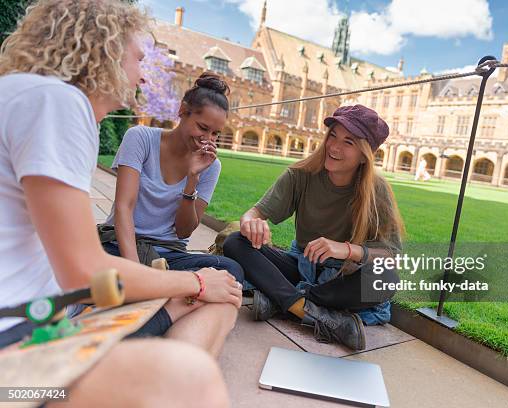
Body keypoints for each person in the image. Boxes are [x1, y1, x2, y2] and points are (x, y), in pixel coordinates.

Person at [0, 1, 237, 406]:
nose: (142, 73)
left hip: (47, 318)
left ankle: (152, 376)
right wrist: (193, 282)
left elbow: (179, 233)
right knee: (196, 369)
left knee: (221, 295)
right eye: (138, 57)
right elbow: (84, 272)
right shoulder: (57, 102)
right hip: (19, 362)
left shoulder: (31, 93)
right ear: (105, 48)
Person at [223, 105, 404, 351]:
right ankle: (309, 312)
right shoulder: (301, 174)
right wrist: (251, 223)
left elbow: (393, 256)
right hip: (303, 267)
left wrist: (346, 250)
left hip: (343, 278)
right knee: (235, 242)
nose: (334, 147)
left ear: (365, 154)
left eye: (348, 142)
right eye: (333, 135)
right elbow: (253, 214)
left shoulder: (377, 190)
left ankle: (281, 301)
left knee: (387, 279)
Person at [100, 73, 244, 285]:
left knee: (231, 271)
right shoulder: (140, 138)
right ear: (182, 111)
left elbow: (183, 231)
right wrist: (134, 272)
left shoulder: (211, 166)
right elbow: (124, 207)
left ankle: (161, 287)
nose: (207, 139)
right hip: (122, 245)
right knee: (93, 265)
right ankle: (168, 288)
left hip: (169, 254)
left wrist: (192, 179)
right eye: (203, 128)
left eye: (215, 134)